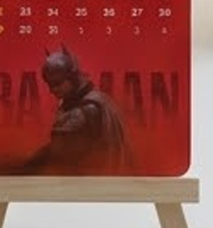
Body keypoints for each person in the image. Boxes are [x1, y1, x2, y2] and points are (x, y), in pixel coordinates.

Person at [11, 46, 133, 175]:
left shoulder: (87, 109)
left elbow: (61, 155)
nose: (52, 90)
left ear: (72, 78)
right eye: (49, 84)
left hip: (94, 179)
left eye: (57, 83)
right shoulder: (95, 100)